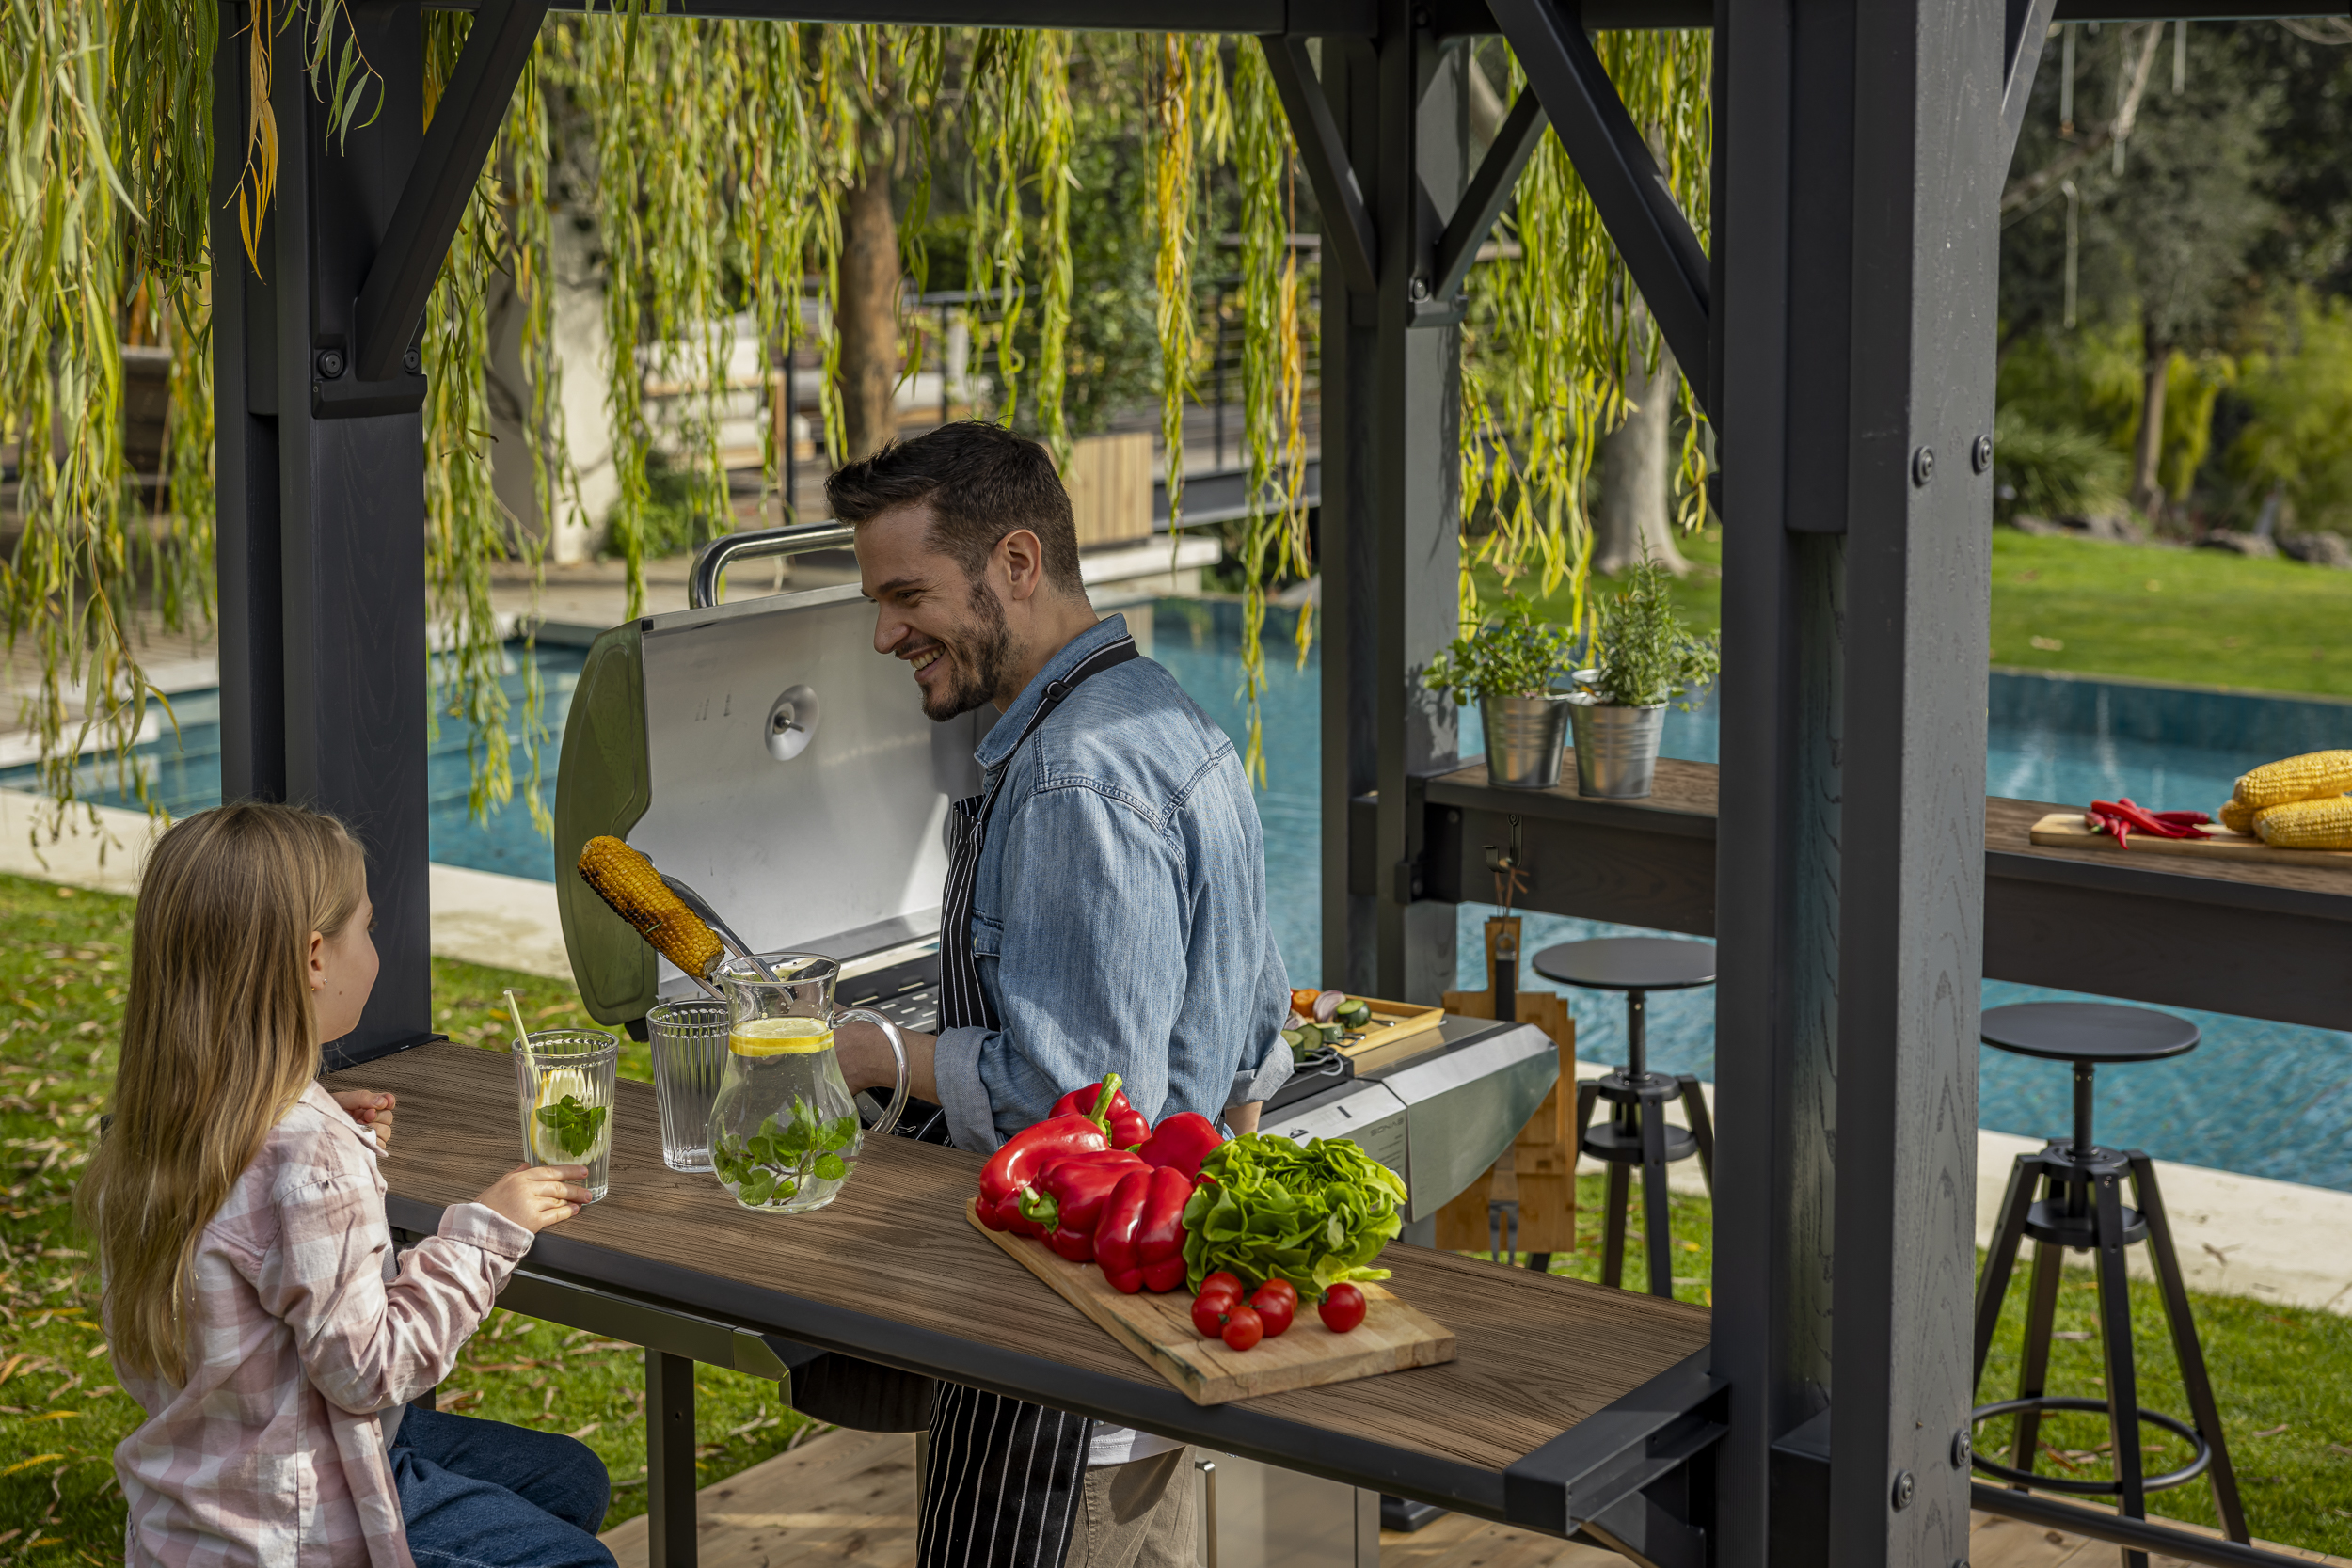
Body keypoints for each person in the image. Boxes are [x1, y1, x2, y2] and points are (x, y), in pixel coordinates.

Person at [825, 421, 1293, 1568]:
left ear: (1017, 564)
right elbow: (1257, 1033)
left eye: (906, 595)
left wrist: (874, 1050)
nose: (885, 633)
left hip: (1059, 1361)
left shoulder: (1072, 773)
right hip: (1147, 1346)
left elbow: (1078, 1105)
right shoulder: (1165, 717)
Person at [78, 801, 610, 1568]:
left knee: (569, 1478)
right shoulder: (309, 1153)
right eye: (368, 925)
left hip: (203, 1492)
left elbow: (265, 1213)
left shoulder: (154, 1125)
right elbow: (371, 1368)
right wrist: (486, 1230)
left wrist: (325, 1118)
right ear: (316, 957)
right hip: (294, 1527)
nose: (378, 948)